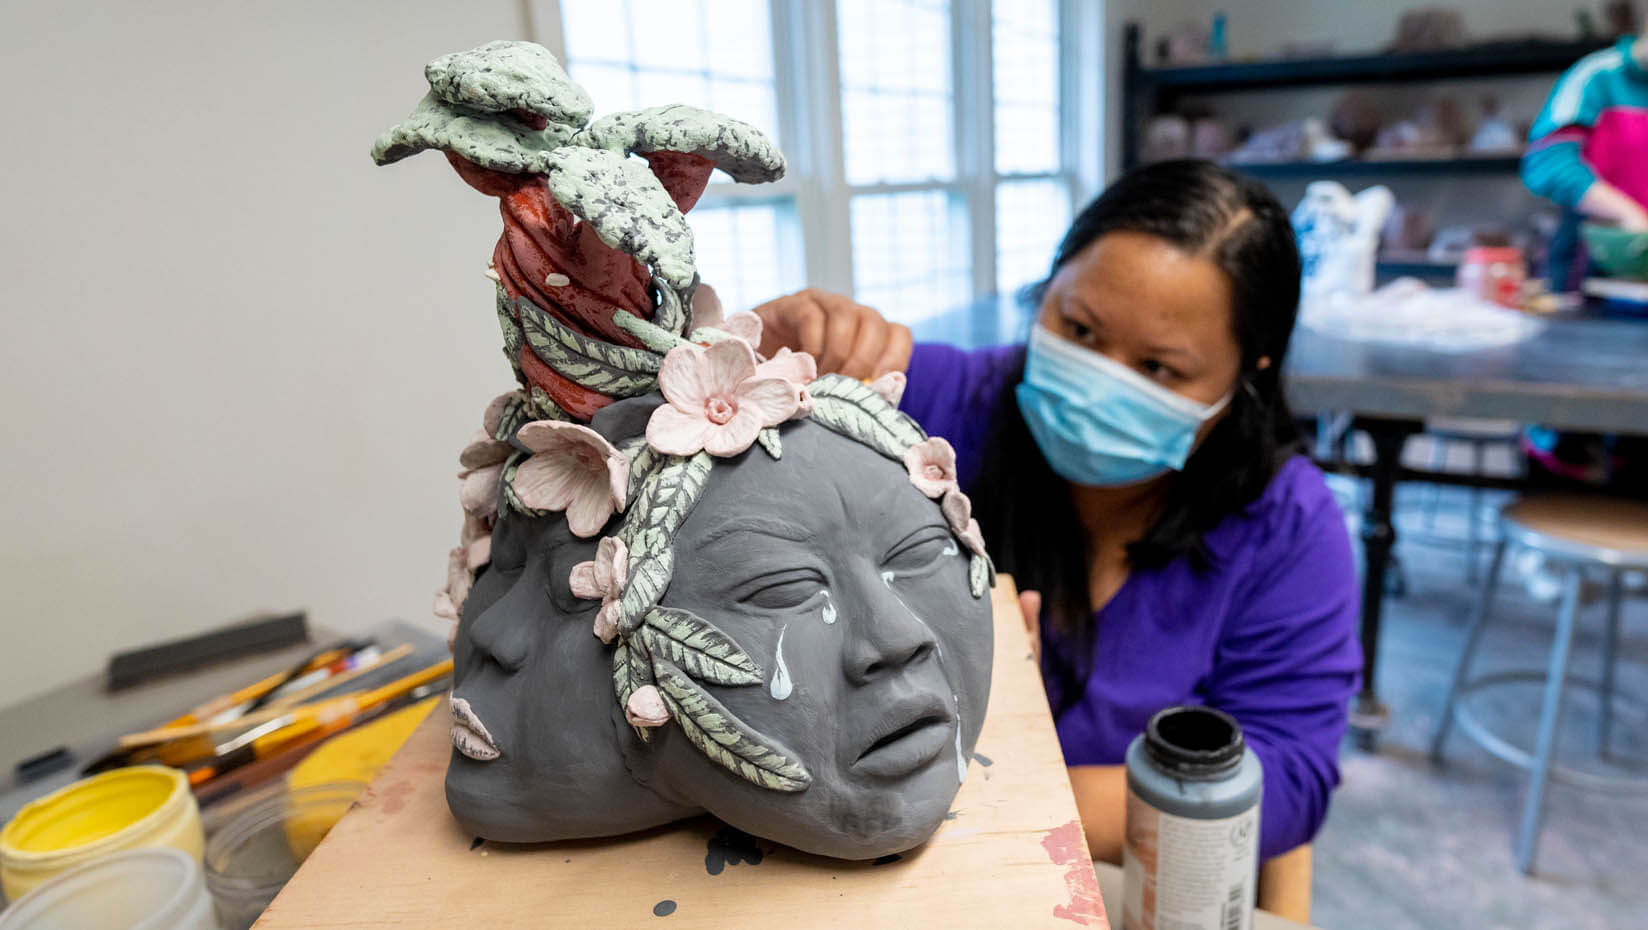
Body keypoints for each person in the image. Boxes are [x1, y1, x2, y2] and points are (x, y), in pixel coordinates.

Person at [751, 159, 1361, 863]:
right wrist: (755, 353)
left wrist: (1013, 792)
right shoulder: (928, 403)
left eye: (1158, 369)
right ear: (1049, 286)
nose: (1101, 380)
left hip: (1089, 871)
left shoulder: (1287, 526)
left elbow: (1286, 776)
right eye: (1080, 330)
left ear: (1249, 371)